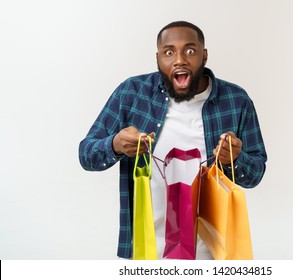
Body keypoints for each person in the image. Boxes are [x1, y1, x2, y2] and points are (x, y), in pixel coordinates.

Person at [79, 21, 267, 259]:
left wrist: (235, 158)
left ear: (204, 55)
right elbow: (86, 155)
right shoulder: (131, 93)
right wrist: (115, 144)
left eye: (190, 50)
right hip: (144, 252)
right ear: (158, 58)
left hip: (211, 254)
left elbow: (256, 174)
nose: (180, 60)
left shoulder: (236, 100)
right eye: (169, 52)